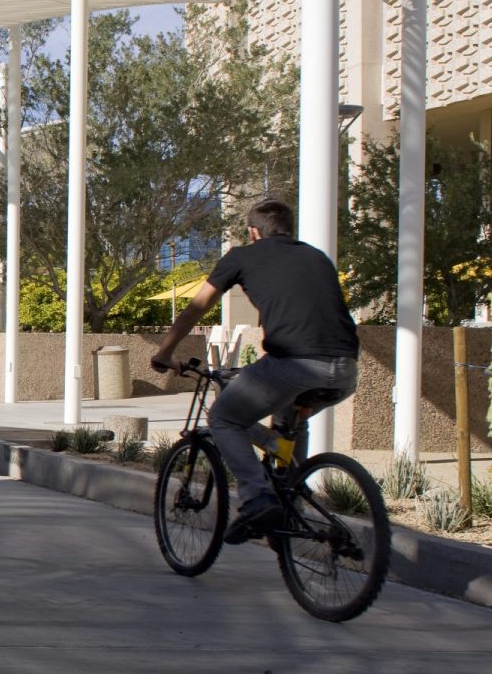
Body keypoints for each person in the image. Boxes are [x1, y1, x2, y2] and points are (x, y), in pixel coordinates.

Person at [151, 198, 359, 544]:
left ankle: (258, 499)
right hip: (346, 368)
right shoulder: (316, 256)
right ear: (288, 230)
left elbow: (196, 308)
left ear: (252, 232)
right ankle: (291, 505)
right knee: (289, 420)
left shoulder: (241, 256)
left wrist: (165, 352)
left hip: (294, 364)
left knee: (224, 418)